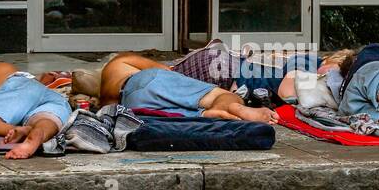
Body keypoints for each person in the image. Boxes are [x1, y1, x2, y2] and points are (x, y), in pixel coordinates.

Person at [98, 53, 279, 123]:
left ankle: (210, 114)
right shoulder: (118, 62)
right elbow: (167, 71)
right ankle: (236, 106)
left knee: (178, 115)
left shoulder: (104, 95)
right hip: (146, 81)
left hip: (132, 105)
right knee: (219, 95)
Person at [169, 39, 352, 105]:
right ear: (330, 60)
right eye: (334, 71)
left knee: (161, 77)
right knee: (159, 81)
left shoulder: (306, 59)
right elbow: (287, 94)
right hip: (223, 71)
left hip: (221, 65)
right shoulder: (307, 63)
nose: (332, 78)